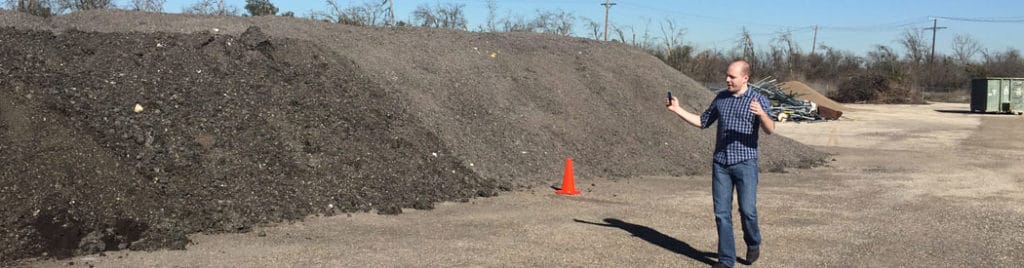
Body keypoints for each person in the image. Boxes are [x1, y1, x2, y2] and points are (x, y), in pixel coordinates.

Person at [665, 60, 774, 268]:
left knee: (747, 210)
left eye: (732, 77)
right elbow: (703, 122)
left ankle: (753, 242)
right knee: (722, 213)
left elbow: (771, 129)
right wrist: (677, 109)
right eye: (727, 75)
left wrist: (761, 114)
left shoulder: (758, 99)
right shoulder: (721, 98)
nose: (727, 80)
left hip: (746, 163)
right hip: (721, 164)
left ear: (745, 78)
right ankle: (726, 260)